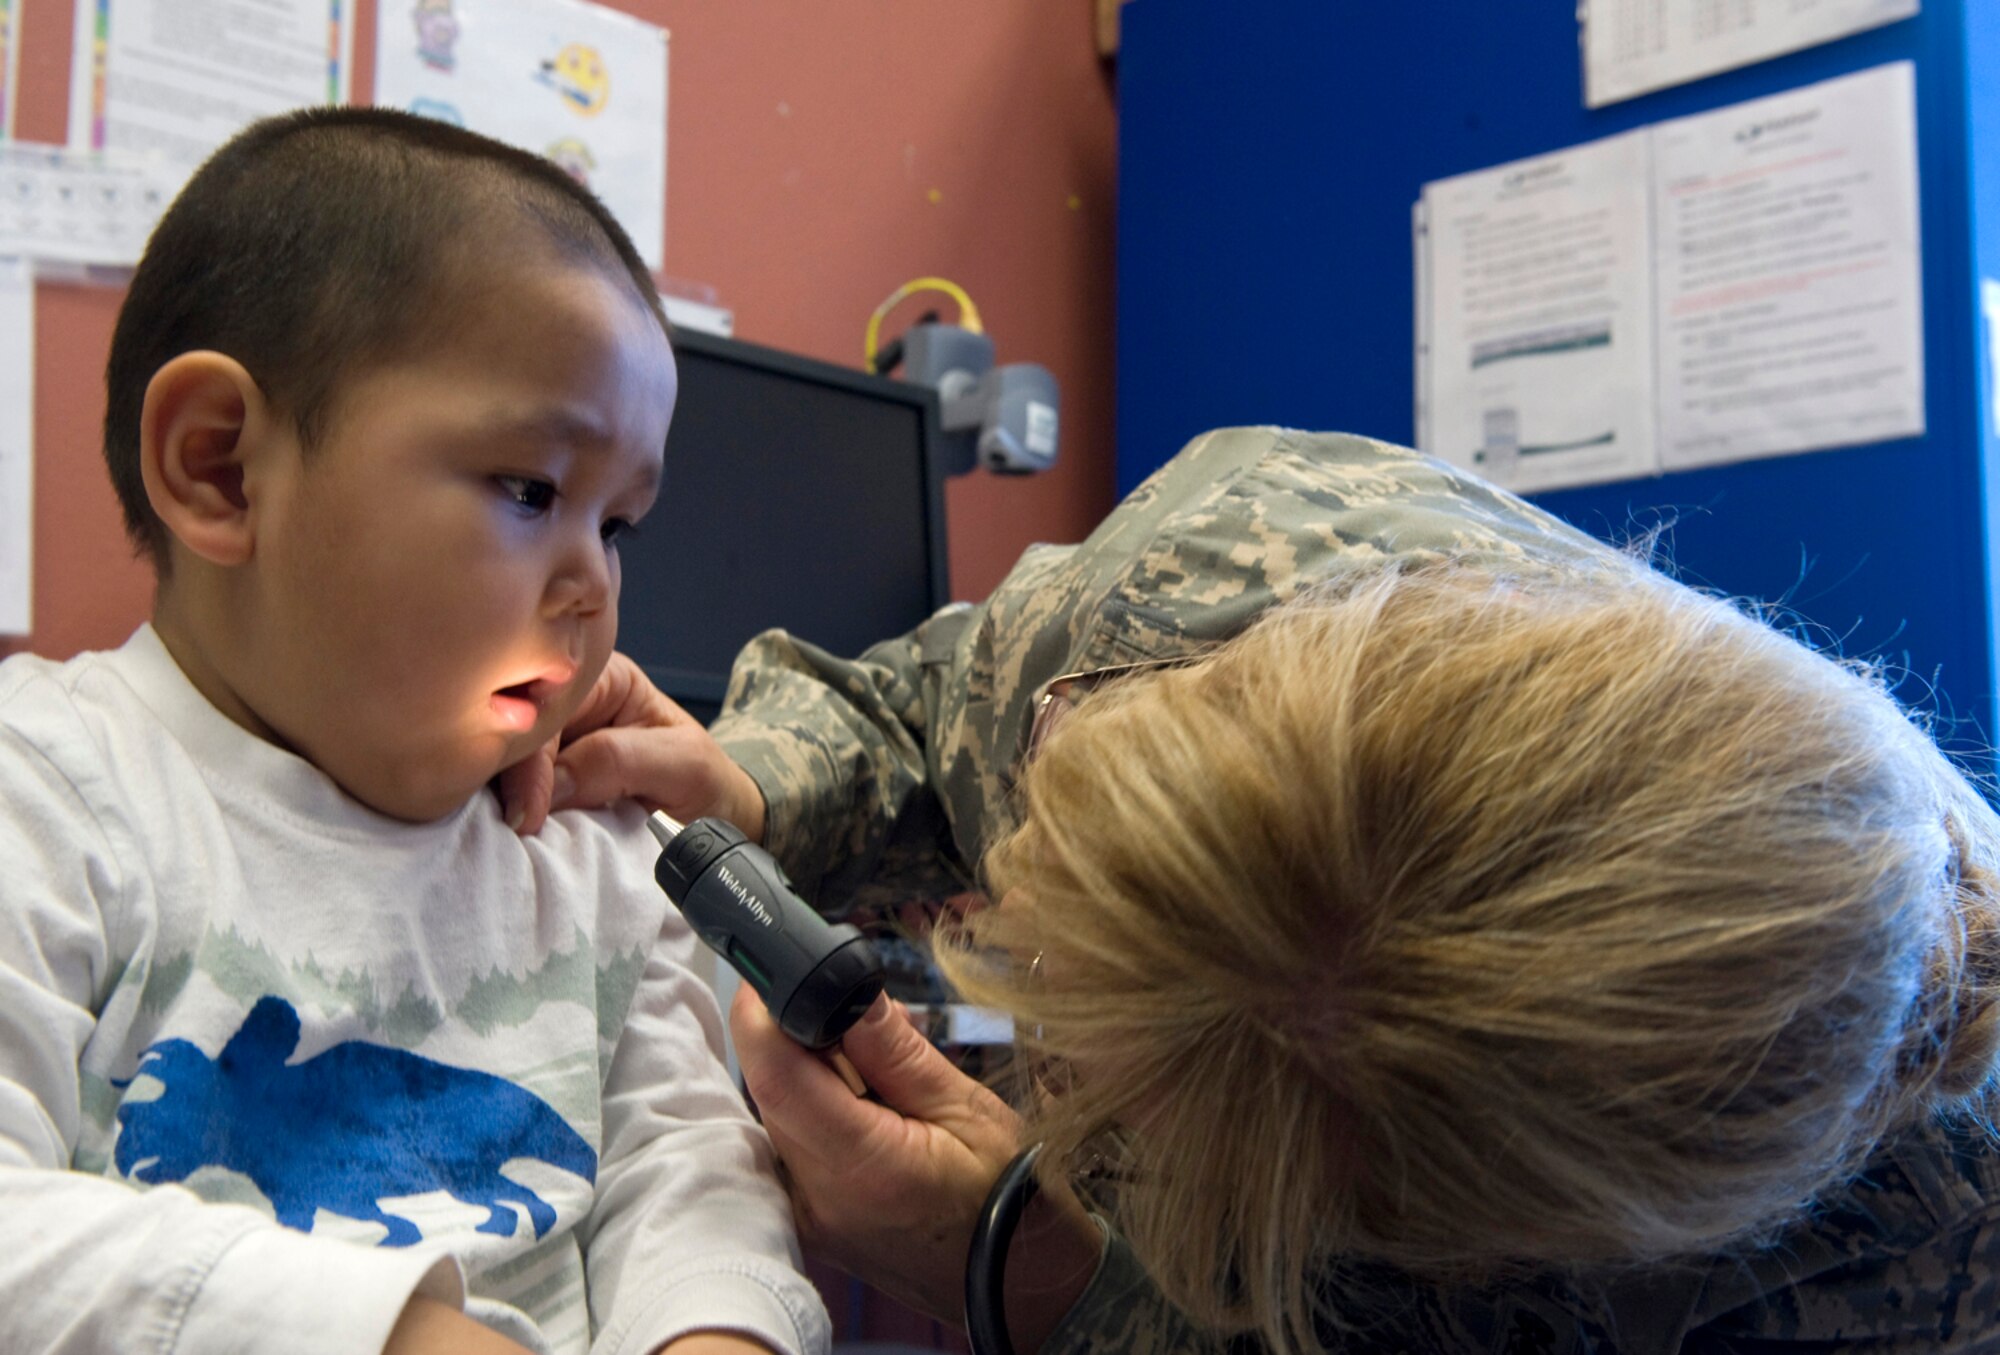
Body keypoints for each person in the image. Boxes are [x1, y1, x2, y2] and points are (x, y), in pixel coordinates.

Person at [501, 428, 2000, 1353]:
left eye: (1141, 1126)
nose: (1058, 1082)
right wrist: (756, 782)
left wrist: (1047, 1285)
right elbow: (919, 709)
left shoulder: (1919, 1273)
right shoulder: (1208, 576)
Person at [0, 109, 829, 1355]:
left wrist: (720, 1327)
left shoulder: (587, 848)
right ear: (222, 468)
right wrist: (394, 1335)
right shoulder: (50, 786)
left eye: (618, 526)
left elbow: (690, 1167)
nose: (593, 589)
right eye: (531, 490)